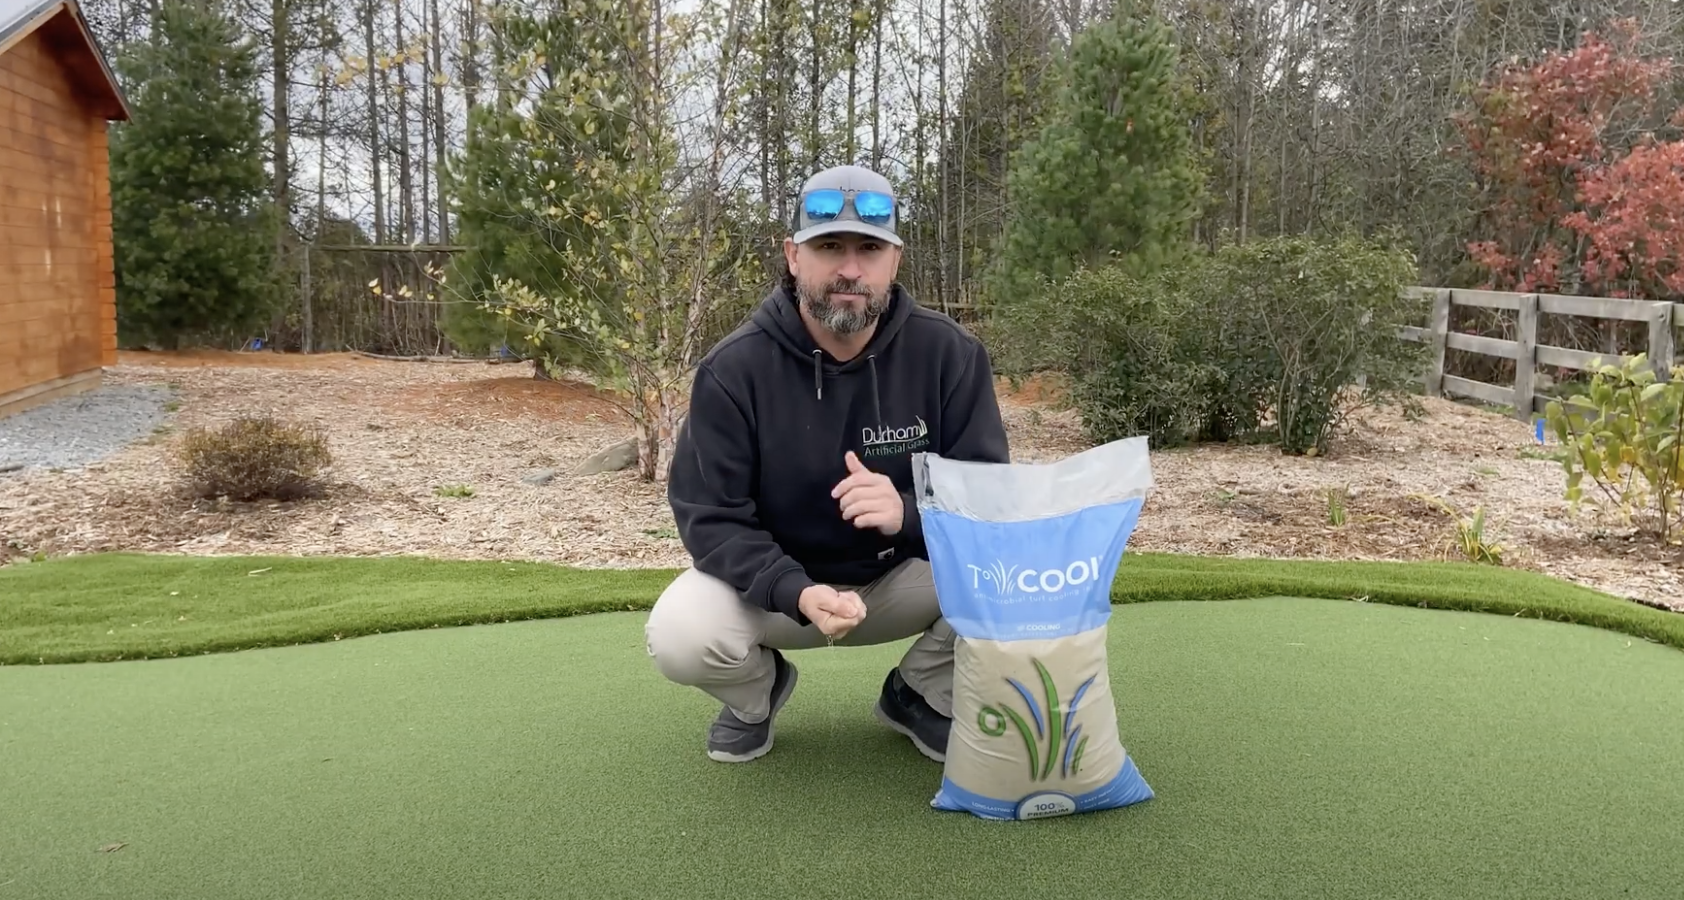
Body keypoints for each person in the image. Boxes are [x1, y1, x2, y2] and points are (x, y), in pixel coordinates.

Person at [645, 163, 1012, 764]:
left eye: (869, 248)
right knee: (680, 635)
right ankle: (757, 694)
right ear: (793, 256)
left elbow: (990, 498)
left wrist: (908, 514)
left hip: (905, 579)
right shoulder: (734, 369)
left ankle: (920, 691)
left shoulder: (950, 354)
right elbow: (711, 517)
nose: (850, 269)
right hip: (781, 593)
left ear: (895, 261)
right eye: (829, 247)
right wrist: (794, 589)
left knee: (1015, 574)